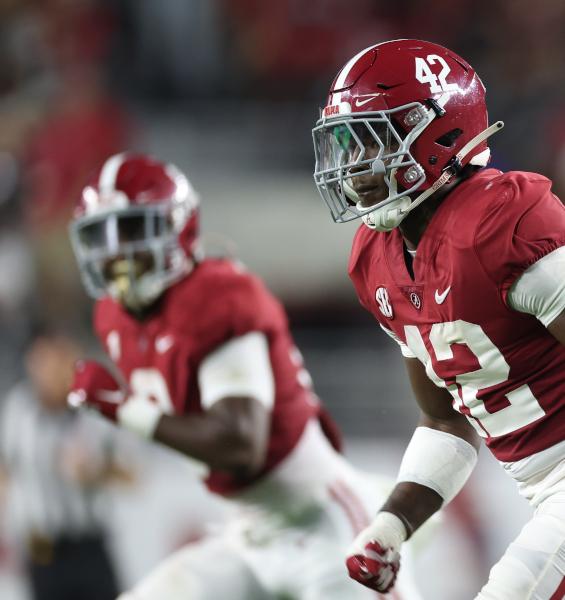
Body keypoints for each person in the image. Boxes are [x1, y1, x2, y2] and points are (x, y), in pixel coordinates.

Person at [312, 40, 565, 600]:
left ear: (437, 135)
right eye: (345, 141)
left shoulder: (496, 224)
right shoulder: (378, 260)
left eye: (373, 139)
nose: (355, 165)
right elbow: (445, 422)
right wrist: (392, 524)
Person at [66, 153, 424, 600]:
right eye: (103, 234)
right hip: (247, 536)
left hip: (324, 526)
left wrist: (121, 409)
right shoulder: (113, 318)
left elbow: (240, 446)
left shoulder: (214, 298)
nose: (117, 251)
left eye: (133, 229)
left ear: (178, 227)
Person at [0, 330, 126, 600]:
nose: (52, 371)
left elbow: (134, 477)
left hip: (89, 546)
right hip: (42, 551)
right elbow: (6, 471)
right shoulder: (18, 410)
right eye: (45, 362)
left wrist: (95, 470)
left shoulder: (94, 409)